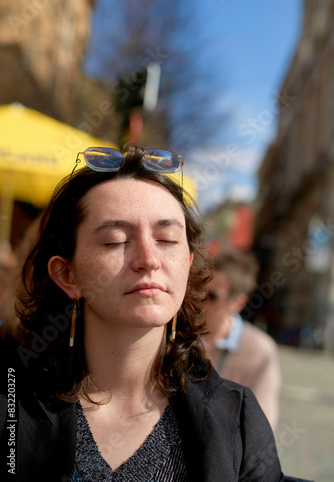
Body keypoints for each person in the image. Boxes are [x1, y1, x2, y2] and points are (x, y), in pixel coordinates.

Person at [0, 145, 284, 481]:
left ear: (188, 266)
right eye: (116, 240)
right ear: (67, 274)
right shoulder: (11, 401)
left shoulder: (237, 418)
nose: (149, 259)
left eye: (167, 239)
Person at [203, 251, 281, 430]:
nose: (198, 299)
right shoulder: (174, 333)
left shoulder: (260, 351)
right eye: (196, 288)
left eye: (212, 296)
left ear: (238, 303)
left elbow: (261, 426)